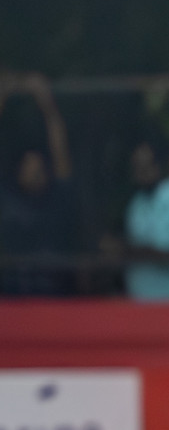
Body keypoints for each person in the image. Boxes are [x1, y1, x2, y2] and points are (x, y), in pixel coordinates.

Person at [0, 73, 76, 296]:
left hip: (53, 294)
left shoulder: (57, 198)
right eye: (29, 168)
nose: (35, 173)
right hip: (13, 295)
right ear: (19, 172)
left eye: (40, 169)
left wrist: (47, 104)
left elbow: (60, 155)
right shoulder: (7, 198)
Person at [122, 134, 169, 301]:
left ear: (160, 164)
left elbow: (166, 252)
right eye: (137, 166)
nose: (141, 171)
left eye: (147, 165)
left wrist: (122, 249)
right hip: (139, 301)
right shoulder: (137, 201)